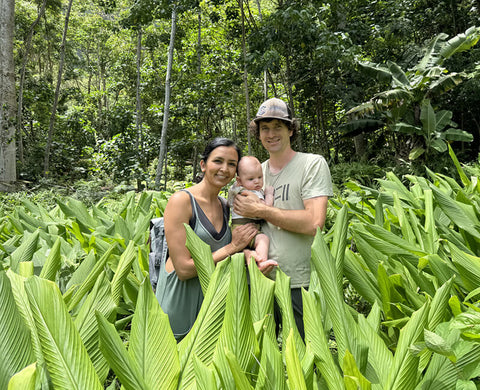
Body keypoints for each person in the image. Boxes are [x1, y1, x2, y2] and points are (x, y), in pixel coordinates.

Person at [233, 97, 333, 339]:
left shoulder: (312, 164)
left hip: (300, 282)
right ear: (257, 134)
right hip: (260, 281)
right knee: (265, 358)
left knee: (307, 355)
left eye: (278, 126)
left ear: (291, 129)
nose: (271, 134)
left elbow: (314, 223)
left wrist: (262, 210)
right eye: (264, 128)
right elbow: (238, 217)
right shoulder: (256, 172)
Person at [156, 137, 258, 341]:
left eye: (231, 164)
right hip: (179, 302)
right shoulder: (182, 201)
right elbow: (183, 269)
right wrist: (233, 247)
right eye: (218, 161)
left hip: (210, 308)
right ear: (203, 165)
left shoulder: (226, 206)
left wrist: (245, 252)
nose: (224, 169)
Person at [227, 156, 277, 269]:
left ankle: (251, 256)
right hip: (247, 228)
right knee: (263, 239)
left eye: (260, 177)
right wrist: (269, 194)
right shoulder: (252, 193)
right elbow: (266, 208)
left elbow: (229, 203)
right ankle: (261, 261)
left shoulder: (235, 189)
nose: (257, 181)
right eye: (251, 179)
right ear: (239, 180)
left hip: (236, 228)